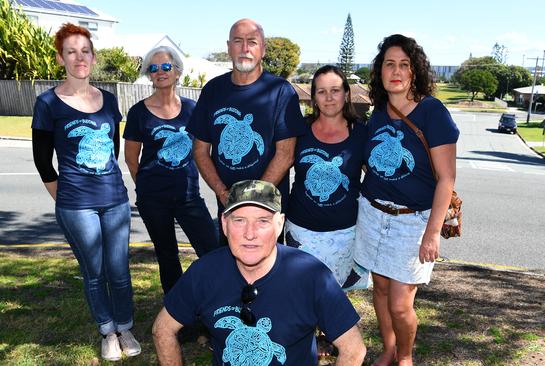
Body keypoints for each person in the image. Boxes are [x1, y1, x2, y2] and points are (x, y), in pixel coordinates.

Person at [152, 180, 366, 365]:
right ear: (224, 225)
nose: (250, 234)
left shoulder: (311, 275)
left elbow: (353, 349)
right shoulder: (204, 272)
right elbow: (162, 329)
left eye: (262, 221)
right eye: (239, 220)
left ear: (280, 224)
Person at [31, 23, 140, 361]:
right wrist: (66, 199)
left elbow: (112, 147)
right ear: (61, 58)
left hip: (115, 201)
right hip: (76, 205)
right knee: (95, 273)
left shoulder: (108, 100)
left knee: (119, 271)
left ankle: (125, 326)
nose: (79, 57)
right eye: (71, 52)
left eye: (85, 51)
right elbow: (43, 162)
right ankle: (107, 331)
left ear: (93, 58)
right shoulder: (48, 103)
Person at [352, 34, 459, 366]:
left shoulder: (432, 112)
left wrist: (432, 232)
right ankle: (388, 349)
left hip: (413, 222)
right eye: (389, 64)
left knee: (400, 303)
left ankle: (406, 357)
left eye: (404, 64)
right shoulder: (380, 111)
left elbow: (446, 179)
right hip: (373, 214)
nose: (396, 71)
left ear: (416, 71)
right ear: (380, 71)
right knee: (380, 292)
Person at [188, 19, 305, 246]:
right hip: (227, 204)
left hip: (267, 206)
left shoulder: (281, 91)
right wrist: (223, 193)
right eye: (238, 41)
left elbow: (286, 154)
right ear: (228, 46)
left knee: (270, 271)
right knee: (230, 268)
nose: (245, 48)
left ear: (262, 49)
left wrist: (252, 197)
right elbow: (200, 150)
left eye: (252, 42)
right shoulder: (213, 90)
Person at [123, 46, 219, 295]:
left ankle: (210, 302)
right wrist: (146, 187)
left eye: (166, 66)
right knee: (167, 256)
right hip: (153, 200)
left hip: (189, 197)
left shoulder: (192, 109)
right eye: (153, 68)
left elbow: (204, 149)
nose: (160, 72)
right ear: (149, 75)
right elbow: (132, 159)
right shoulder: (138, 113)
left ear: (177, 72)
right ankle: (178, 312)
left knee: (212, 251)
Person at [286, 65, 368, 291]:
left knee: (335, 303)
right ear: (313, 97)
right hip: (300, 231)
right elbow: (279, 164)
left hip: (344, 234)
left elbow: (377, 179)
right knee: (302, 298)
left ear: (347, 93)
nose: (329, 97)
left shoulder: (362, 133)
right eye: (321, 91)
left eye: (335, 90)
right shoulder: (299, 130)